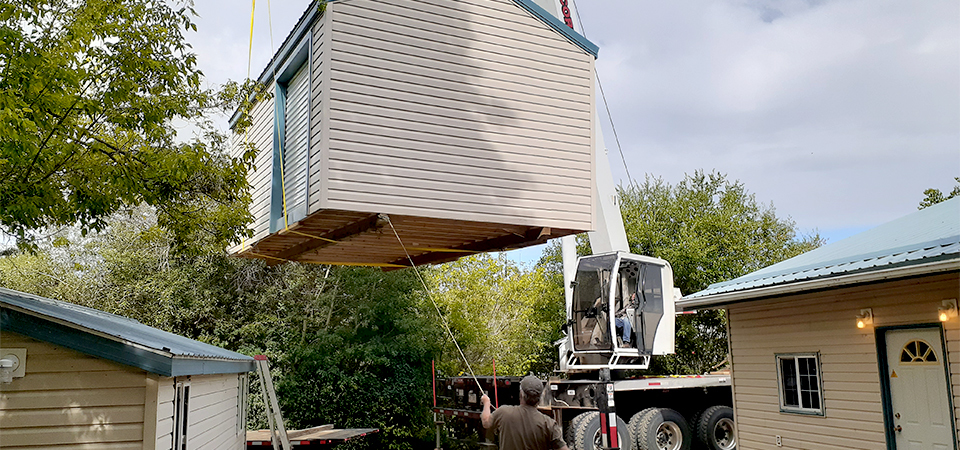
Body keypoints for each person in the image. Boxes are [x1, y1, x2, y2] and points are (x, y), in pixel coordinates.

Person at [480, 376, 569, 450]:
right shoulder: (549, 424)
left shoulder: (503, 412)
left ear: (521, 394)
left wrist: (486, 403)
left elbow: (486, 422)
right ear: (540, 397)